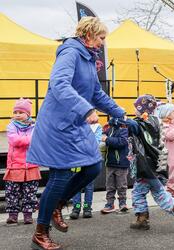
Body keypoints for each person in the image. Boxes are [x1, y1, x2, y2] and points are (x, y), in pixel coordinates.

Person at [27, 17, 126, 250]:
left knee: (93, 166)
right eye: (101, 38)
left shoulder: (89, 58)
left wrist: (120, 112)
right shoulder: (70, 52)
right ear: (89, 34)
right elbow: (59, 84)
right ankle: (40, 233)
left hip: (75, 123)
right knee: (60, 175)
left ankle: (57, 204)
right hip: (57, 124)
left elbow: (96, 93)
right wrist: (86, 109)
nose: (102, 43)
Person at [128, 95, 174, 230]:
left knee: (143, 193)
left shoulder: (146, 122)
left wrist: (120, 118)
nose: (135, 111)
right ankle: (173, 209)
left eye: (136, 108)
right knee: (157, 191)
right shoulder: (156, 121)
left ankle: (144, 218)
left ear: (143, 109)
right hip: (158, 165)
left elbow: (134, 126)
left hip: (147, 166)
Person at [4, 98, 41, 225]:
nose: (17, 115)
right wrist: (29, 139)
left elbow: (37, 140)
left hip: (31, 165)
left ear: (28, 114)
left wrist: (26, 139)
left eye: (21, 112)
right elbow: (15, 141)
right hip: (15, 166)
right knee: (12, 192)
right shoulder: (11, 126)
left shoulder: (35, 126)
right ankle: (13, 215)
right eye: (15, 112)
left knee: (30, 193)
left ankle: (28, 215)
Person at [69, 123, 102, 219]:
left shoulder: (97, 127)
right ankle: (76, 208)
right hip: (77, 161)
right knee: (76, 185)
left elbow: (96, 142)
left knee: (89, 186)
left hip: (90, 161)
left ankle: (87, 208)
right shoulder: (75, 125)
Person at [100, 117, 130, 214]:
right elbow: (102, 136)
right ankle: (109, 204)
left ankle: (122, 203)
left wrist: (107, 139)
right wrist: (104, 133)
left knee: (122, 185)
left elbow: (122, 142)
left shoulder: (124, 129)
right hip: (110, 162)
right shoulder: (110, 129)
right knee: (110, 186)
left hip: (121, 163)